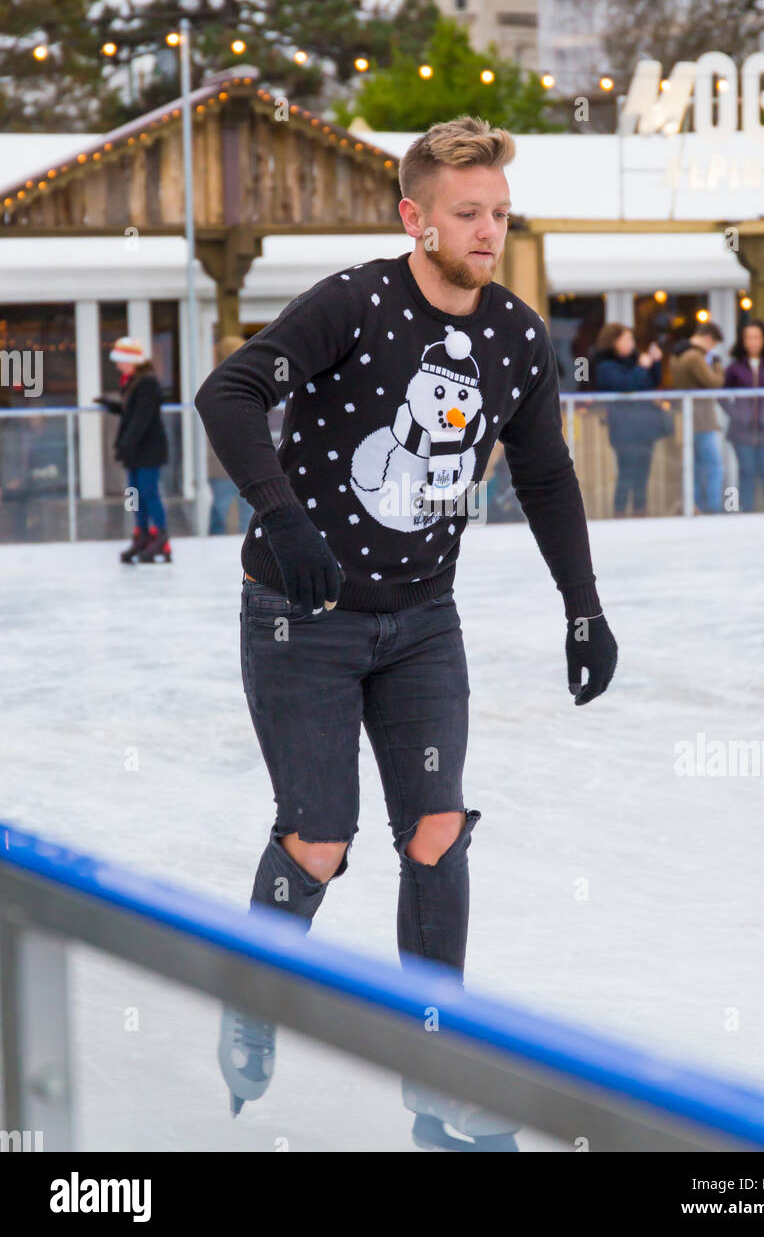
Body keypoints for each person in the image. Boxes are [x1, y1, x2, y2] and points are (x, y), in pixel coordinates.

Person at [195, 114, 618, 1150]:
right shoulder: (354, 302)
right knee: (319, 837)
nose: (485, 230)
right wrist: (283, 519)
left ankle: (438, 1077)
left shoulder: (515, 334)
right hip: (304, 618)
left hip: (422, 621)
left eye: (498, 215)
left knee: (436, 833)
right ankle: (254, 992)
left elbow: (546, 473)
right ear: (414, 217)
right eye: (465, 213)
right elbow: (229, 391)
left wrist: (583, 604)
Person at [95, 336, 171, 562]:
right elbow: (133, 412)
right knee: (134, 494)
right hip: (135, 450)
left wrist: (126, 444)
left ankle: (160, 537)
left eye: (120, 360)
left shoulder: (147, 382)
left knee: (148, 491)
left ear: (131, 360)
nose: (117, 365)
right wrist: (113, 406)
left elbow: (142, 418)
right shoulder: (133, 381)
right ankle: (142, 534)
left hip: (147, 449)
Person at [591, 323, 666, 517]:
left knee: (642, 476)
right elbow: (626, 386)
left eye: (632, 339)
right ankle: (620, 514)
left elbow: (650, 382)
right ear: (614, 341)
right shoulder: (605, 366)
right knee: (626, 474)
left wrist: (655, 363)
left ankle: (641, 513)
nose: (631, 343)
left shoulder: (635, 362)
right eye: (627, 339)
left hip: (645, 428)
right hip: (624, 430)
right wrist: (642, 366)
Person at [723, 321, 764, 512]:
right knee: (747, 474)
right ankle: (747, 514)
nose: (752, 342)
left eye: (756, 337)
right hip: (742, 432)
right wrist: (736, 414)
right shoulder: (735, 368)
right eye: (748, 338)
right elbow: (723, 395)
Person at [670, 322, 725, 513]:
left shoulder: (679, 355)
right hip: (701, 421)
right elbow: (715, 382)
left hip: (688, 420)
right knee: (714, 466)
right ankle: (713, 508)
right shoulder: (694, 357)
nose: (712, 350)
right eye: (713, 345)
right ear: (708, 338)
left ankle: (696, 507)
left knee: (695, 467)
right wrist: (717, 364)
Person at [207, 335, 254, 535]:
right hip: (234, 459)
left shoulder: (218, 383)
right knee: (232, 506)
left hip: (232, 457)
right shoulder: (233, 383)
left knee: (235, 508)